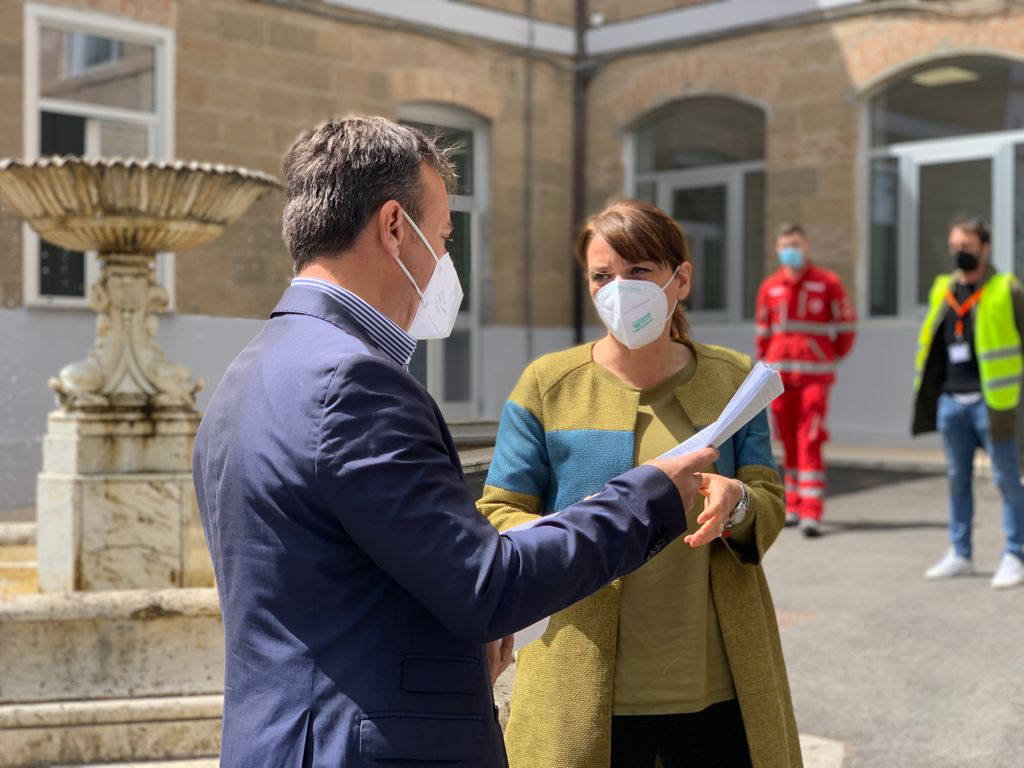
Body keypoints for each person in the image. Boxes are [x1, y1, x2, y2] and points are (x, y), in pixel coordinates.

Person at [192, 117, 724, 768]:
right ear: (394, 227)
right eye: (444, 237)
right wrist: (650, 494)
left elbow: (337, 580)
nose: (445, 261)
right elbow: (488, 587)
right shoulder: (355, 383)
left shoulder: (247, 371)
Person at [479, 201, 801, 768]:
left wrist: (739, 503)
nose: (618, 291)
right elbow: (500, 510)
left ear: (682, 279)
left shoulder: (734, 379)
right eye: (602, 276)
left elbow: (769, 499)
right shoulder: (548, 384)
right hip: (581, 679)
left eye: (638, 271)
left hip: (718, 687)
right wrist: (573, 536)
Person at [913, 216, 1024, 589]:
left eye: (968, 246)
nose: (961, 252)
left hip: (994, 403)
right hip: (951, 402)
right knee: (957, 479)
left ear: (985, 248)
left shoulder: (1005, 288)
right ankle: (960, 552)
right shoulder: (942, 289)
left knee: (1006, 478)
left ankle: (1015, 553)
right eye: (956, 245)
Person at [755, 223, 856, 537]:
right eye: (785, 245)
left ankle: (812, 511)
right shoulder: (770, 287)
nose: (790, 250)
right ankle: (794, 505)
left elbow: (846, 327)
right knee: (786, 440)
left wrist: (828, 357)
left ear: (806, 245)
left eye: (795, 244)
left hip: (814, 377)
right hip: (780, 379)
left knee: (809, 439)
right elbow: (763, 334)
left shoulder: (827, 283)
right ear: (777, 249)